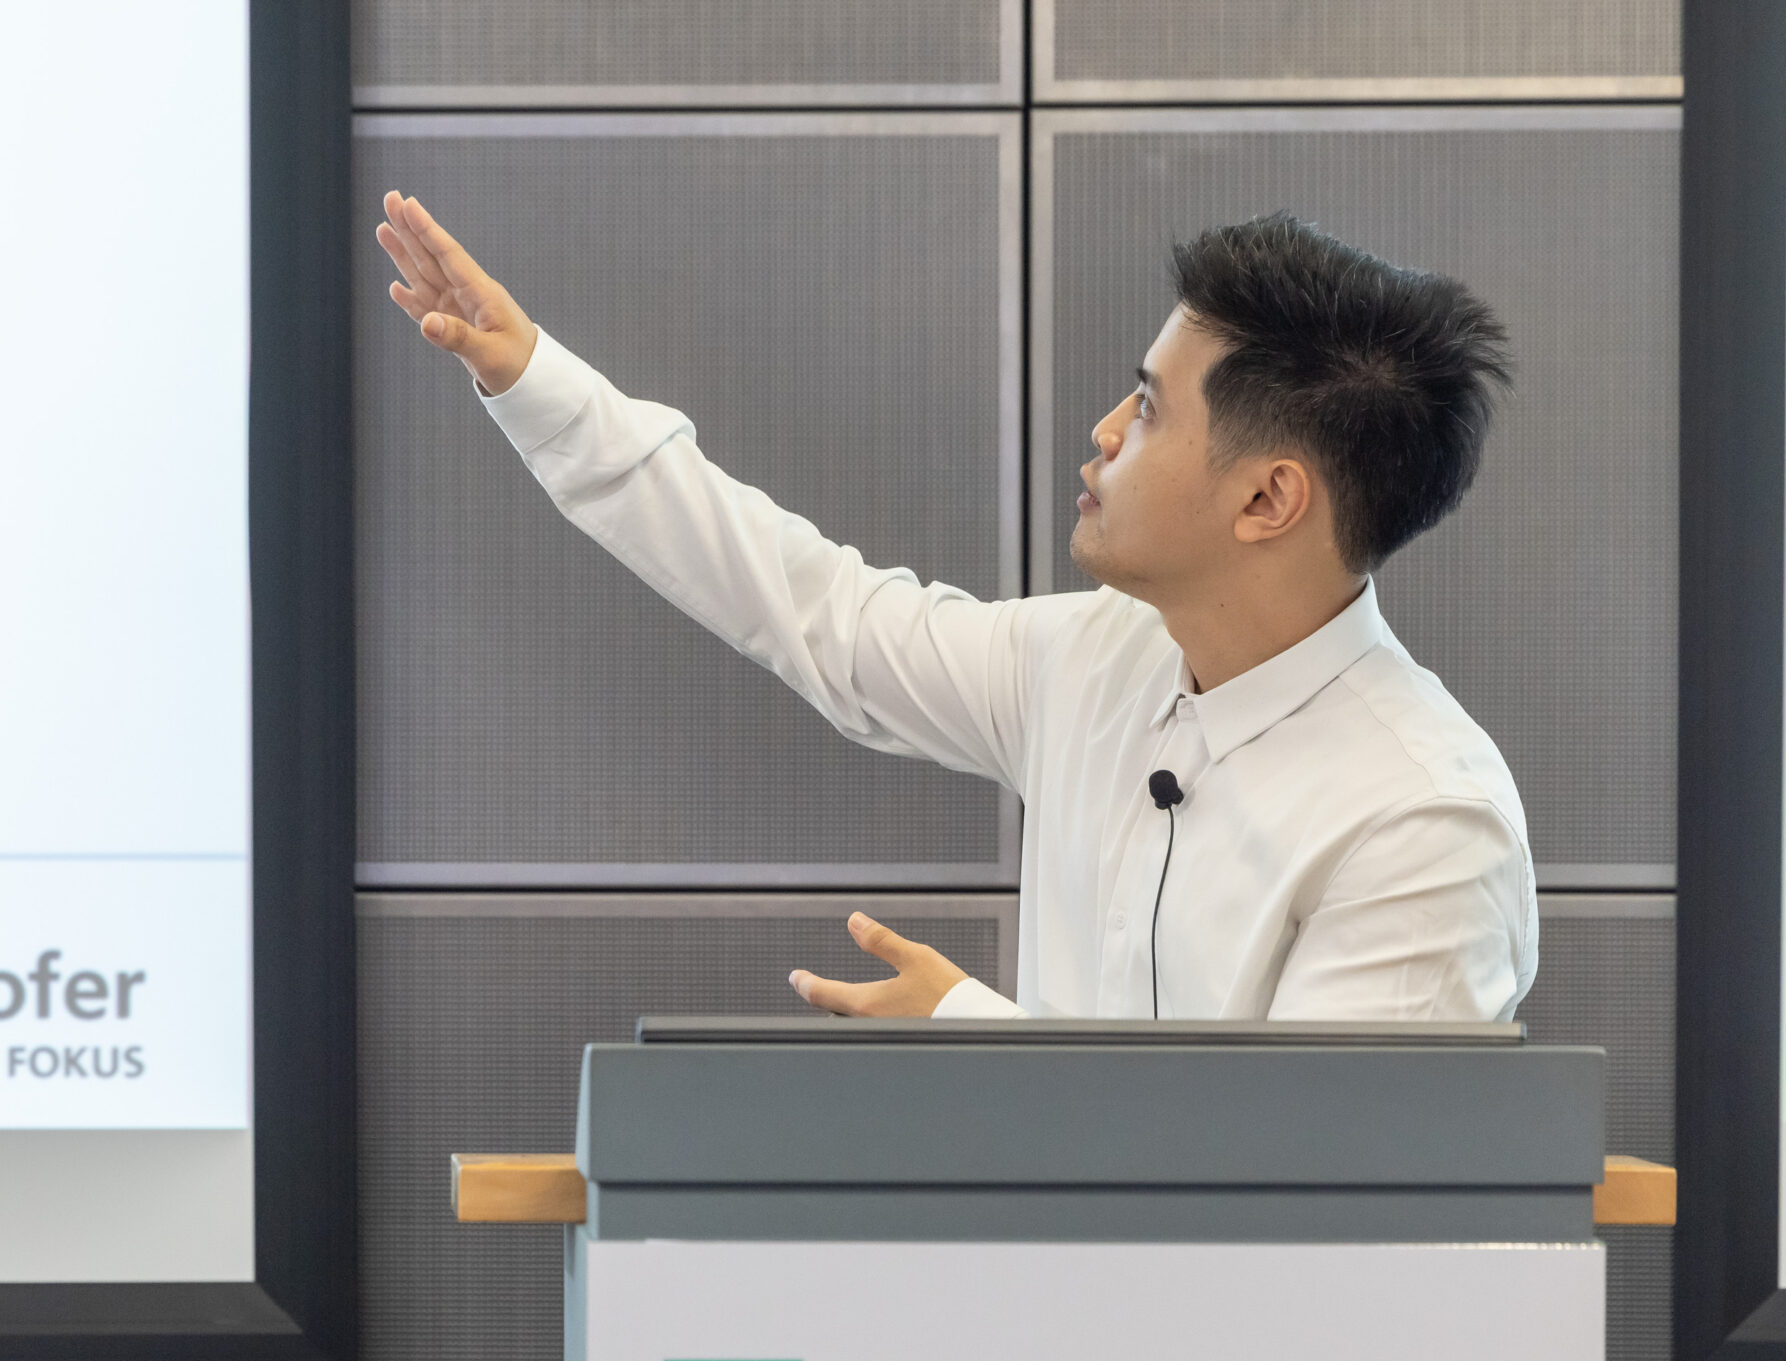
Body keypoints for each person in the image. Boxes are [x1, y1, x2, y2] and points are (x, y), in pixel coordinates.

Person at [372, 192, 1535, 1022]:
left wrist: (969, 1029)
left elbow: (1324, 1197)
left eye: (1147, 408)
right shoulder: (1097, 658)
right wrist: (532, 378)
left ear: (1268, 499)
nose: (1105, 432)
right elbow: (817, 612)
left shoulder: (1422, 821)